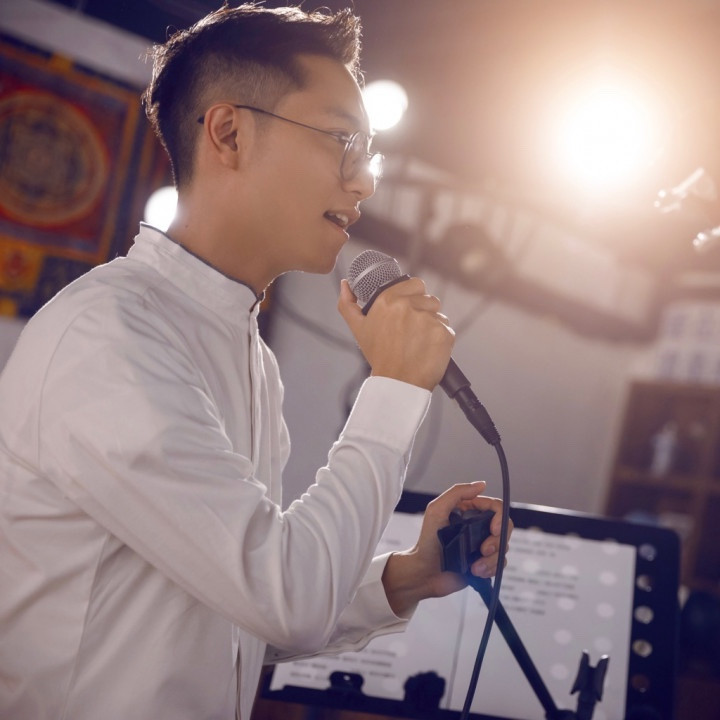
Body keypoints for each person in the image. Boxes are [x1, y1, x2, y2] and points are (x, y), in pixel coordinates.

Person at [0, 4, 510, 719]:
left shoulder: (247, 355)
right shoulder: (109, 335)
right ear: (229, 134)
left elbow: (235, 617)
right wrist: (394, 387)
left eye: (368, 152)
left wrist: (405, 578)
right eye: (342, 141)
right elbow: (286, 599)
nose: (364, 182)